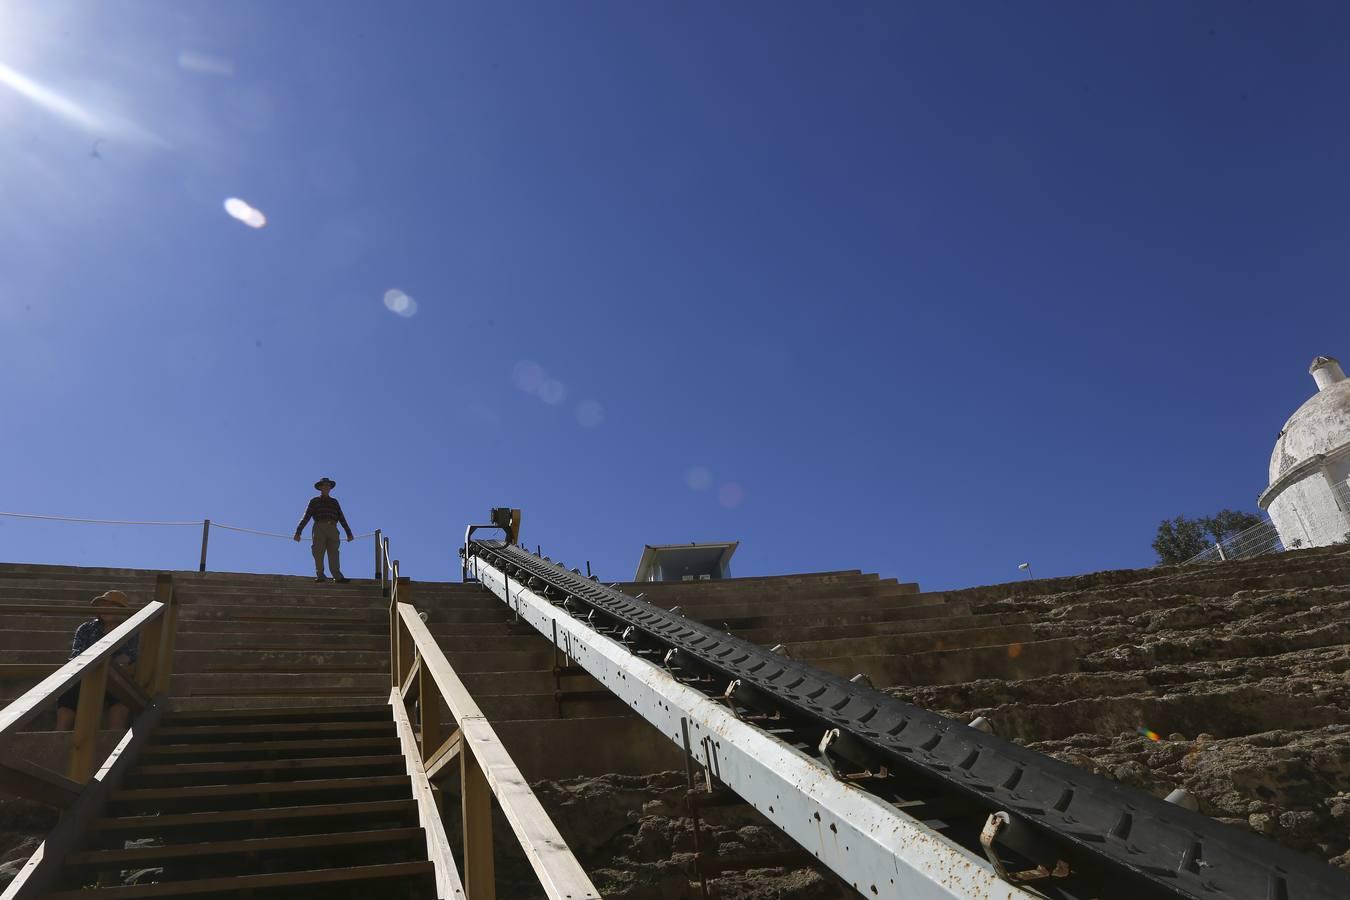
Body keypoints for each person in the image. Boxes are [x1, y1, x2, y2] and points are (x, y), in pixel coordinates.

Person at [55, 591, 138, 731]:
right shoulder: (86, 628)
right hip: (86, 673)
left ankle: (114, 738)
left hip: (116, 675)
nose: (105, 609)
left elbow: (130, 655)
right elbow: (76, 654)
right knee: (68, 692)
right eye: (102, 605)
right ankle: (58, 735)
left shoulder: (132, 629)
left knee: (121, 692)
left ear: (123, 610)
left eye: (111, 605)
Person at [294, 476, 354, 582]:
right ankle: (320, 575)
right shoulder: (314, 501)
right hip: (319, 528)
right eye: (325, 485)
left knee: (334, 552)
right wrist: (298, 531)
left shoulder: (334, 502)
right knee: (318, 551)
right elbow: (306, 516)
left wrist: (349, 533)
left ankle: (337, 576)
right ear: (320, 487)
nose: (327, 487)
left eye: (328, 485)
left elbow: (341, 517)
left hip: (333, 528)